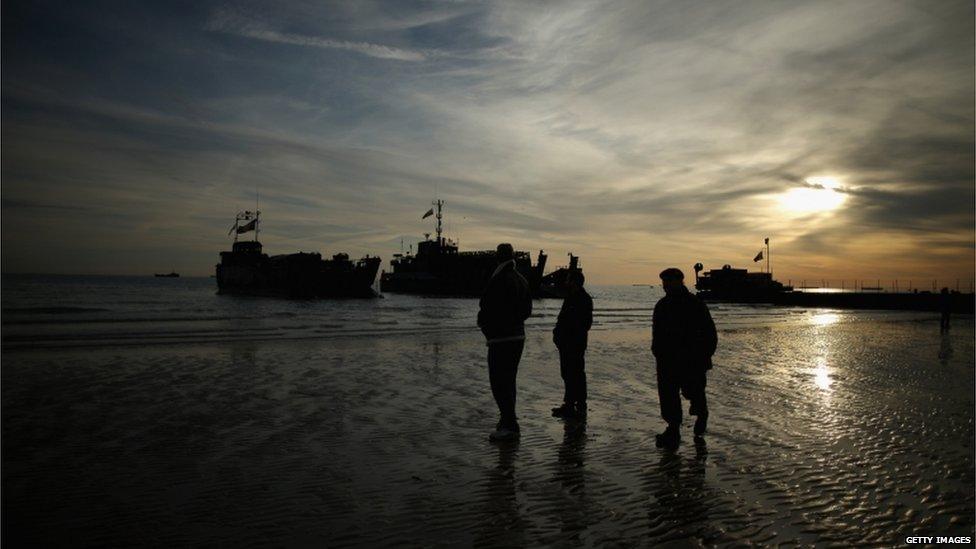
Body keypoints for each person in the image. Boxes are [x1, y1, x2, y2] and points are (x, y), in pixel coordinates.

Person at [651, 267, 717, 450]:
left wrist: (703, 357)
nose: (665, 285)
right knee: (668, 395)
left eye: (669, 281)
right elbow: (657, 333)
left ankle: (701, 414)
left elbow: (710, 333)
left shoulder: (695, 304)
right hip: (667, 360)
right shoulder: (662, 305)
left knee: (693, 391)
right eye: (664, 282)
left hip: (691, 360)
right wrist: (656, 351)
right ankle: (673, 429)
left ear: (679, 281)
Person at [478, 243, 533, 441]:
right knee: (509, 381)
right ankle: (507, 421)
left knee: (498, 382)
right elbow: (527, 310)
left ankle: (509, 425)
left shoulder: (498, 279)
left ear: (498, 257)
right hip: (518, 336)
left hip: (500, 338)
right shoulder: (522, 280)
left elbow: (486, 306)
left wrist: (487, 328)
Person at [551, 270, 593, 420]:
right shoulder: (572, 297)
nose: (565, 282)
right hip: (567, 342)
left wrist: (565, 335)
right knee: (568, 373)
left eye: (568, 280)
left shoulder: (583, 299)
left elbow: (585, 323)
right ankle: (570, 404)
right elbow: (563, 319)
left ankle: (578, 404)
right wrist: (557, 334)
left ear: (574, 282)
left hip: (574, 343)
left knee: (575, 373)